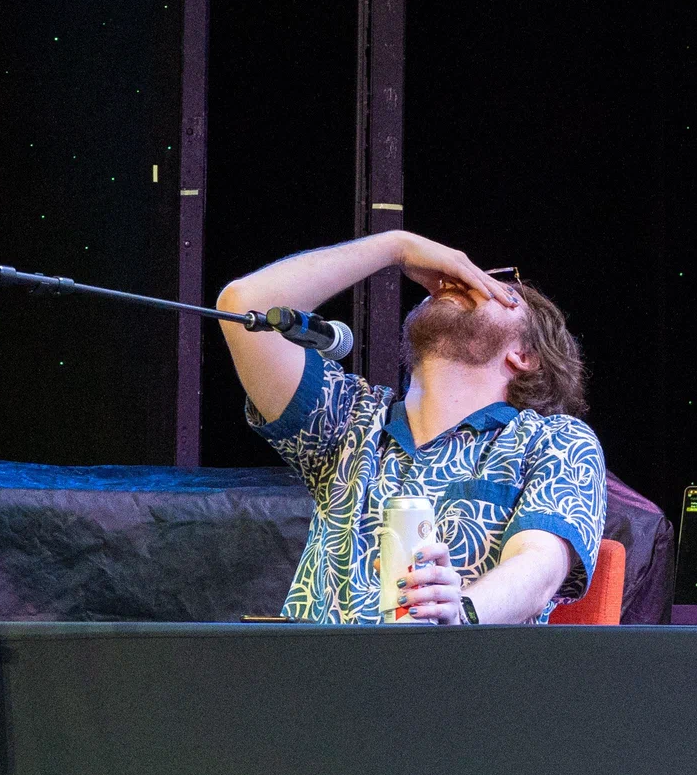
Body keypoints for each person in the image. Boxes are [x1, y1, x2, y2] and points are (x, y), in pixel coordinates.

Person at [218, 231, 606, 625]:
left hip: (455, 680)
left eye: (494, 286)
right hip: (317, 678)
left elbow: (538, 567)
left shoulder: (554, 440)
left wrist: (461, 610)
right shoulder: (349, 417)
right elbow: (245, 306)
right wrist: (395, 247)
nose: (465, 280)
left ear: (525, 355)